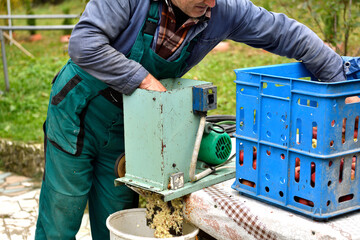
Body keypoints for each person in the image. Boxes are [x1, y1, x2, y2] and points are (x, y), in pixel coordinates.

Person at [35, 0, 354, 239]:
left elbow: (285, 32)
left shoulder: (223, 9)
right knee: (61, 216)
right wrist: (143, 80)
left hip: (132, 127)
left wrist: (342, 79)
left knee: (118, 219)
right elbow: (84, 44)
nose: (212, 2)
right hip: (78, 114)